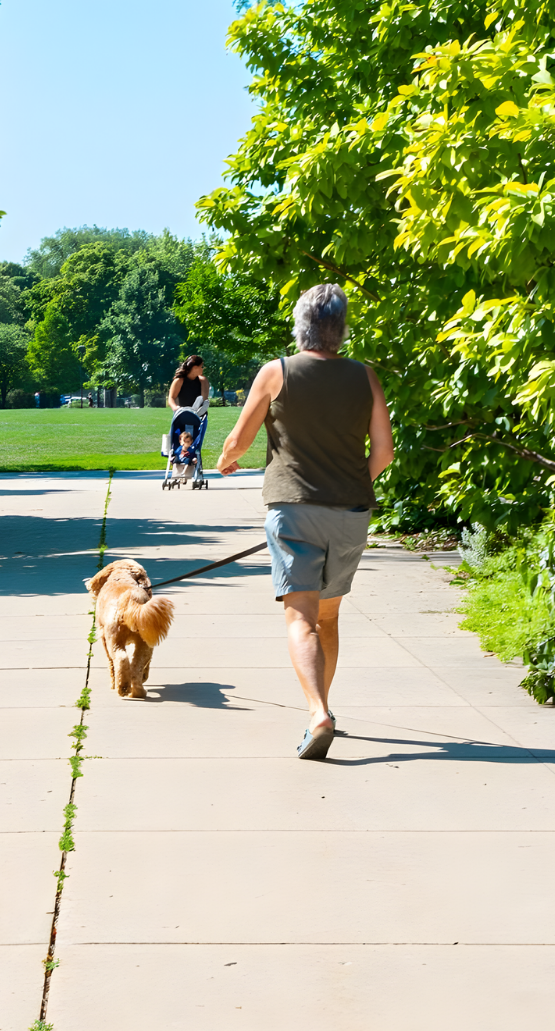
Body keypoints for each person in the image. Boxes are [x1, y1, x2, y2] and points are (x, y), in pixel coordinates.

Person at [217, 283, 393, 759]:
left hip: (293, 510)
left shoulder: (276, 373)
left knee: (301, 618)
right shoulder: (365, 376)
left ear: (301, 326)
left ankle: (317, 713)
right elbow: (384, 452)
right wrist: (350, 483)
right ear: (341, 328)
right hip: (351, 513)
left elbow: (239, 440)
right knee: (329, 616)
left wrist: (225, 460)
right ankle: (326, 708)